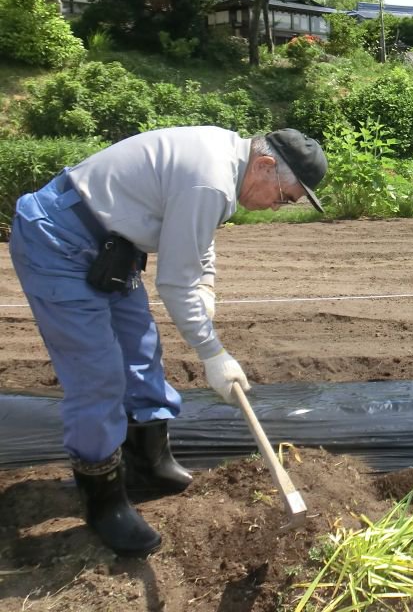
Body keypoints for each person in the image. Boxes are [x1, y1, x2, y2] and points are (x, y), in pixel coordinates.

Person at [7, 126, 327, 557]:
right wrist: (213, 354)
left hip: (109, 245)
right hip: (59, 239)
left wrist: (208, 286)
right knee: (98, 375)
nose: (277, 207)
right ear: (266, 166)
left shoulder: (228, 165)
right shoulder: (211, 177)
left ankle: (149, 464)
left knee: (140, 348)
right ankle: (104, 502)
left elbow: (200, 238)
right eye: (284, 197)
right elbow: (175, 284)